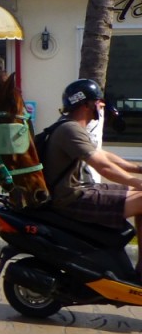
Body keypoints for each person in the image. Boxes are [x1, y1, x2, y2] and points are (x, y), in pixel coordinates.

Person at [44, 79, 142, 273]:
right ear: (87, 104)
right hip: (73, 199)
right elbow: (104, 167)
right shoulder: (70, 129)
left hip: (79, 192)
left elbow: (103, 155)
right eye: (98, 102)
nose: (102, 106)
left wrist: (137, 169)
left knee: (137, 194)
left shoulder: (69, 126)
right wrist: (137, 182)